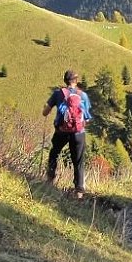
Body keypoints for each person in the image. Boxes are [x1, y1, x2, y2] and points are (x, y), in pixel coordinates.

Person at [43, 69, 93, 198]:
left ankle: (50, 180)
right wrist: (78, 126)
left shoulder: (58, 94)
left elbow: (45, 112)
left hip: (61, 131)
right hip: (78, 133)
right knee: (78, 161)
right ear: (76, 81)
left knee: (54, 153)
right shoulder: (83, 95)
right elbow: (87, 119)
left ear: (65, 81)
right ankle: (79, 191)